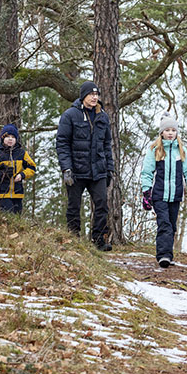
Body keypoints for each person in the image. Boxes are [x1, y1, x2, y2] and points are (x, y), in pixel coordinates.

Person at [56, 81, 115, 251]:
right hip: (75, 170)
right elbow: (62, 143)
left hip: (98, 171)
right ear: (83, 96)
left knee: (102, 204)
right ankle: (73, 239)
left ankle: (98, 240)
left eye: (96, 95)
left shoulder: (103, 116)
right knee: (74, 206)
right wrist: (66, 168)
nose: (94, 97)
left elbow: (107, 145)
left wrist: (109, 168)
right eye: (91, 94)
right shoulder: (69, 115)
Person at [141, 112, 187, 268]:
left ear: (176, 132)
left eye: (173, 130)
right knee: (164, 224)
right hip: (159, 194)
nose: (170, 133)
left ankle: (169, 255)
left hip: (176, 195)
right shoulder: (155, 149)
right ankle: (163, 255)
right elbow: (147, 172)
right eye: (167, 130)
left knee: (172, 226)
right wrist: (146, 192)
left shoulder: (181, 150)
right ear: (162, 132)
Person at [0, 124, 36, 214]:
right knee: (8, 216)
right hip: (2, 193)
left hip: (18, 193)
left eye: (13, 137)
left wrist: (22, 175)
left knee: (17, 217)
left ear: (16, 139)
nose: (10, 139)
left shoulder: (22, 153)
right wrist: (1, 174)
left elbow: (32, 168)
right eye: (7, 136)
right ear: (2, 138)